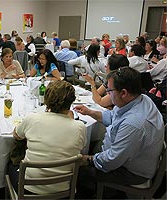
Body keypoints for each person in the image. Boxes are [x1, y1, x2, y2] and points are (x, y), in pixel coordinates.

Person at [75, 67, 164, 198]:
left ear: (123, 93)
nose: (108, 94)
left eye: (109, 90)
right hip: (127, 156)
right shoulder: (140, 99)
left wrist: (87, 160)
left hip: (132, 171)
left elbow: (112, 160)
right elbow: (113, 117)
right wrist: (90, 112)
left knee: (79, 171)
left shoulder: (134, 123)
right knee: (92, 146)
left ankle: (102, 194)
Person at [9, 80, 86, 194]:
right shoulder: (80, 127)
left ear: (46, 100)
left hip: (28, 189)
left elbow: (16, 135)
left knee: (10, 165)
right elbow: (81, 147)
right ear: (71, 101)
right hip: (63, 189)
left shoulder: (32, 119)